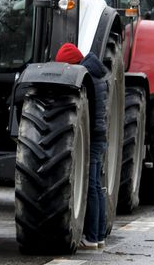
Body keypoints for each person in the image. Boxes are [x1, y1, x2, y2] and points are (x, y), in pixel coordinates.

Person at [55, 42, 108, 249]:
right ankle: (99, 235)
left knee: (92, 186)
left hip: (94, 136)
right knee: (97, 185)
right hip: (100, 134)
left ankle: (92, 236)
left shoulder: (90, 78)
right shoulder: (97, 73)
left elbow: (90, 113)